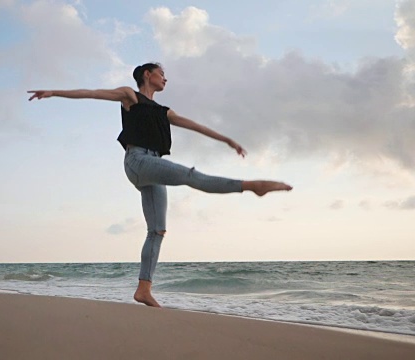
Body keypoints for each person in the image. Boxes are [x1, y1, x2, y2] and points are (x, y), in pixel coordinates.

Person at [28, 62, 292, 307]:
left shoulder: (164, 111)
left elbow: (194, 126)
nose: (165, 78)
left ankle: (144, 289)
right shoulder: (130, 96)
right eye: (161, 73)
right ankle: (251, 186)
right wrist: (53, 92)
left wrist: (226, 140)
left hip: (152, 166)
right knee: (191, 176)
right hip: (138, 160)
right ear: (147, 75)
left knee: (157, 230)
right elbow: (92, 93)